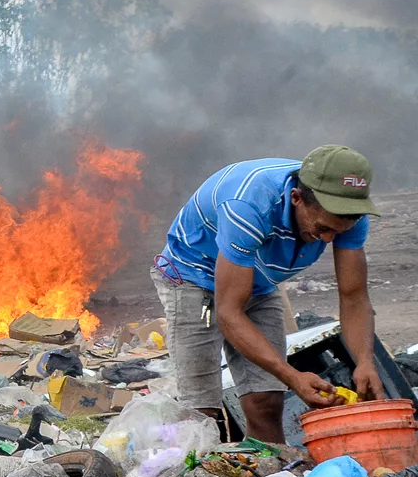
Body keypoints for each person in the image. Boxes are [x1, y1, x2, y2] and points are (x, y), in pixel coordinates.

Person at [153, 145, 382, 444]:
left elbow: (353, 297)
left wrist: (364, 362)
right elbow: (228, 313)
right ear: (296, 199)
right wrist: (292, 376)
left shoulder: (347, 215)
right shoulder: (248, 205)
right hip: (196, 275)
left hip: (259, 280)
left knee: (267, 399)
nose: (327, 240)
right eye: (322, 228)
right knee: (201, 412)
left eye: (337, 233)